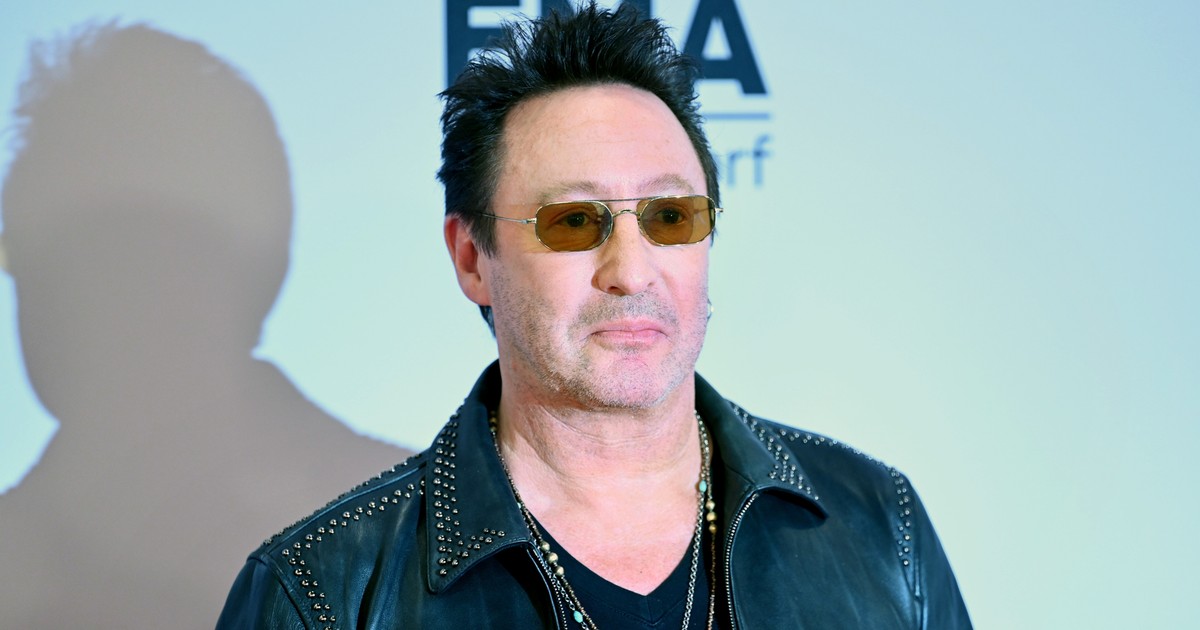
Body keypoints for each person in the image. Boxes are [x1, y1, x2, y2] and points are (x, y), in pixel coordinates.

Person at [218, 3, 971, 628]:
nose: (632, 271)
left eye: (671, 216)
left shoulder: (880, 526)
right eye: (575, 222)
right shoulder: (323, 591)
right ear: (473, 259)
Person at [0, 24, 409, 628]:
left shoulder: (416, 541)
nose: (71, 297)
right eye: (39, 250)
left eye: (124, 251)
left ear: (257, 271)